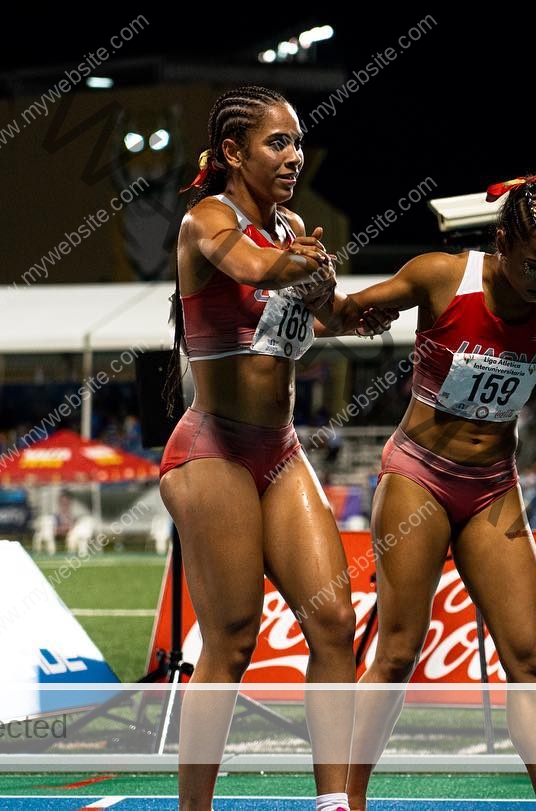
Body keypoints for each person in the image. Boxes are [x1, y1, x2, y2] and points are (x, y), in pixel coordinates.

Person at [338, 176, 536, 811]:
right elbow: (346, 313)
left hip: (492, 486)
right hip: (419, 476)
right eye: (534, 263)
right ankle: (346, 801)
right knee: (398, 651)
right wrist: (333, 299)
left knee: (530, 655)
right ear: (503, 242)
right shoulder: (440, 277)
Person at [159, 85, 389, 811]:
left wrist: (413, 295)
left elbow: (338, 315)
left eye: (297, 142)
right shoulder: (206, 222)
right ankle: (194, 807)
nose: (293, 157)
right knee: (229, 637)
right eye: (277, 143)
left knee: (333, 621)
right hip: (212, 450)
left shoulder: (292, 226)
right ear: (233, 152)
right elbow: (254, 269)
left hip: (280, 451)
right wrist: (301, 266)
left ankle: (333, 804)